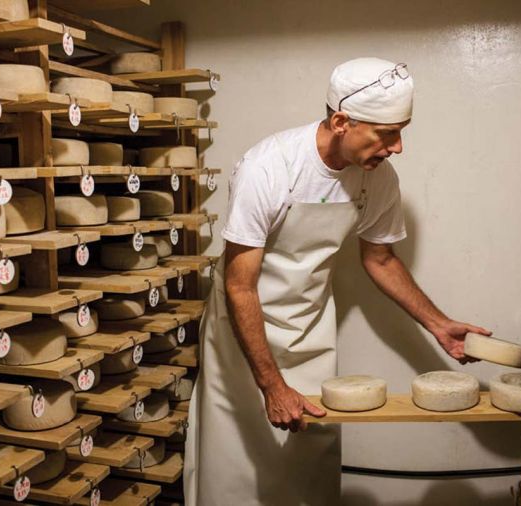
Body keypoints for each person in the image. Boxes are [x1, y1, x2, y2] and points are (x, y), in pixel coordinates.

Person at [184, 57, 491, 506]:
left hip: (309, 325)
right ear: (341, 121)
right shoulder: (268, 167)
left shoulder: (378, 178)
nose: (398, 147)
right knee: (236, 457)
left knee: (310, 453)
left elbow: (381, 260)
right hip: (242, 330)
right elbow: (239, 286)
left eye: (402, 131)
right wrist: (271, 385)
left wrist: (438, 324)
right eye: (388, 134)